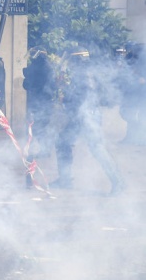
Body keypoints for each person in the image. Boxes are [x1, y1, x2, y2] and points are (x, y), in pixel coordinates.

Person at [51, 46, 125, 194]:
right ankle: (64, 179)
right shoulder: (87, 70)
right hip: (83, 114)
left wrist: (66, 100)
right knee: (63, 142)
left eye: (71, 59)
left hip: (86, 115)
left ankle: (118, 182)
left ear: (77, 59)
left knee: (97, 148)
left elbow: (83, 97)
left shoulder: (84, 74)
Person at [22, 46, 56, 159]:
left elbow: (30, 84)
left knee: (40, 127)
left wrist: (27, 79)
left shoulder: (43, 67)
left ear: (38, 55)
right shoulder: (43, 66)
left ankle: (45, 150)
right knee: (39, 126)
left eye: (33, 54)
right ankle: (44, 149)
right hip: (40, 100)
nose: (31, 57)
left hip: (42, 101)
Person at [118, 42, 146, 145]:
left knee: (142, 114)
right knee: (127, 113)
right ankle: (132, 136)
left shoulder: (141, 57)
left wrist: (142, 78)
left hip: (142, 91)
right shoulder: (130, 57)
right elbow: (126, 71)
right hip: (132, 90)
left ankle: (141, 138)